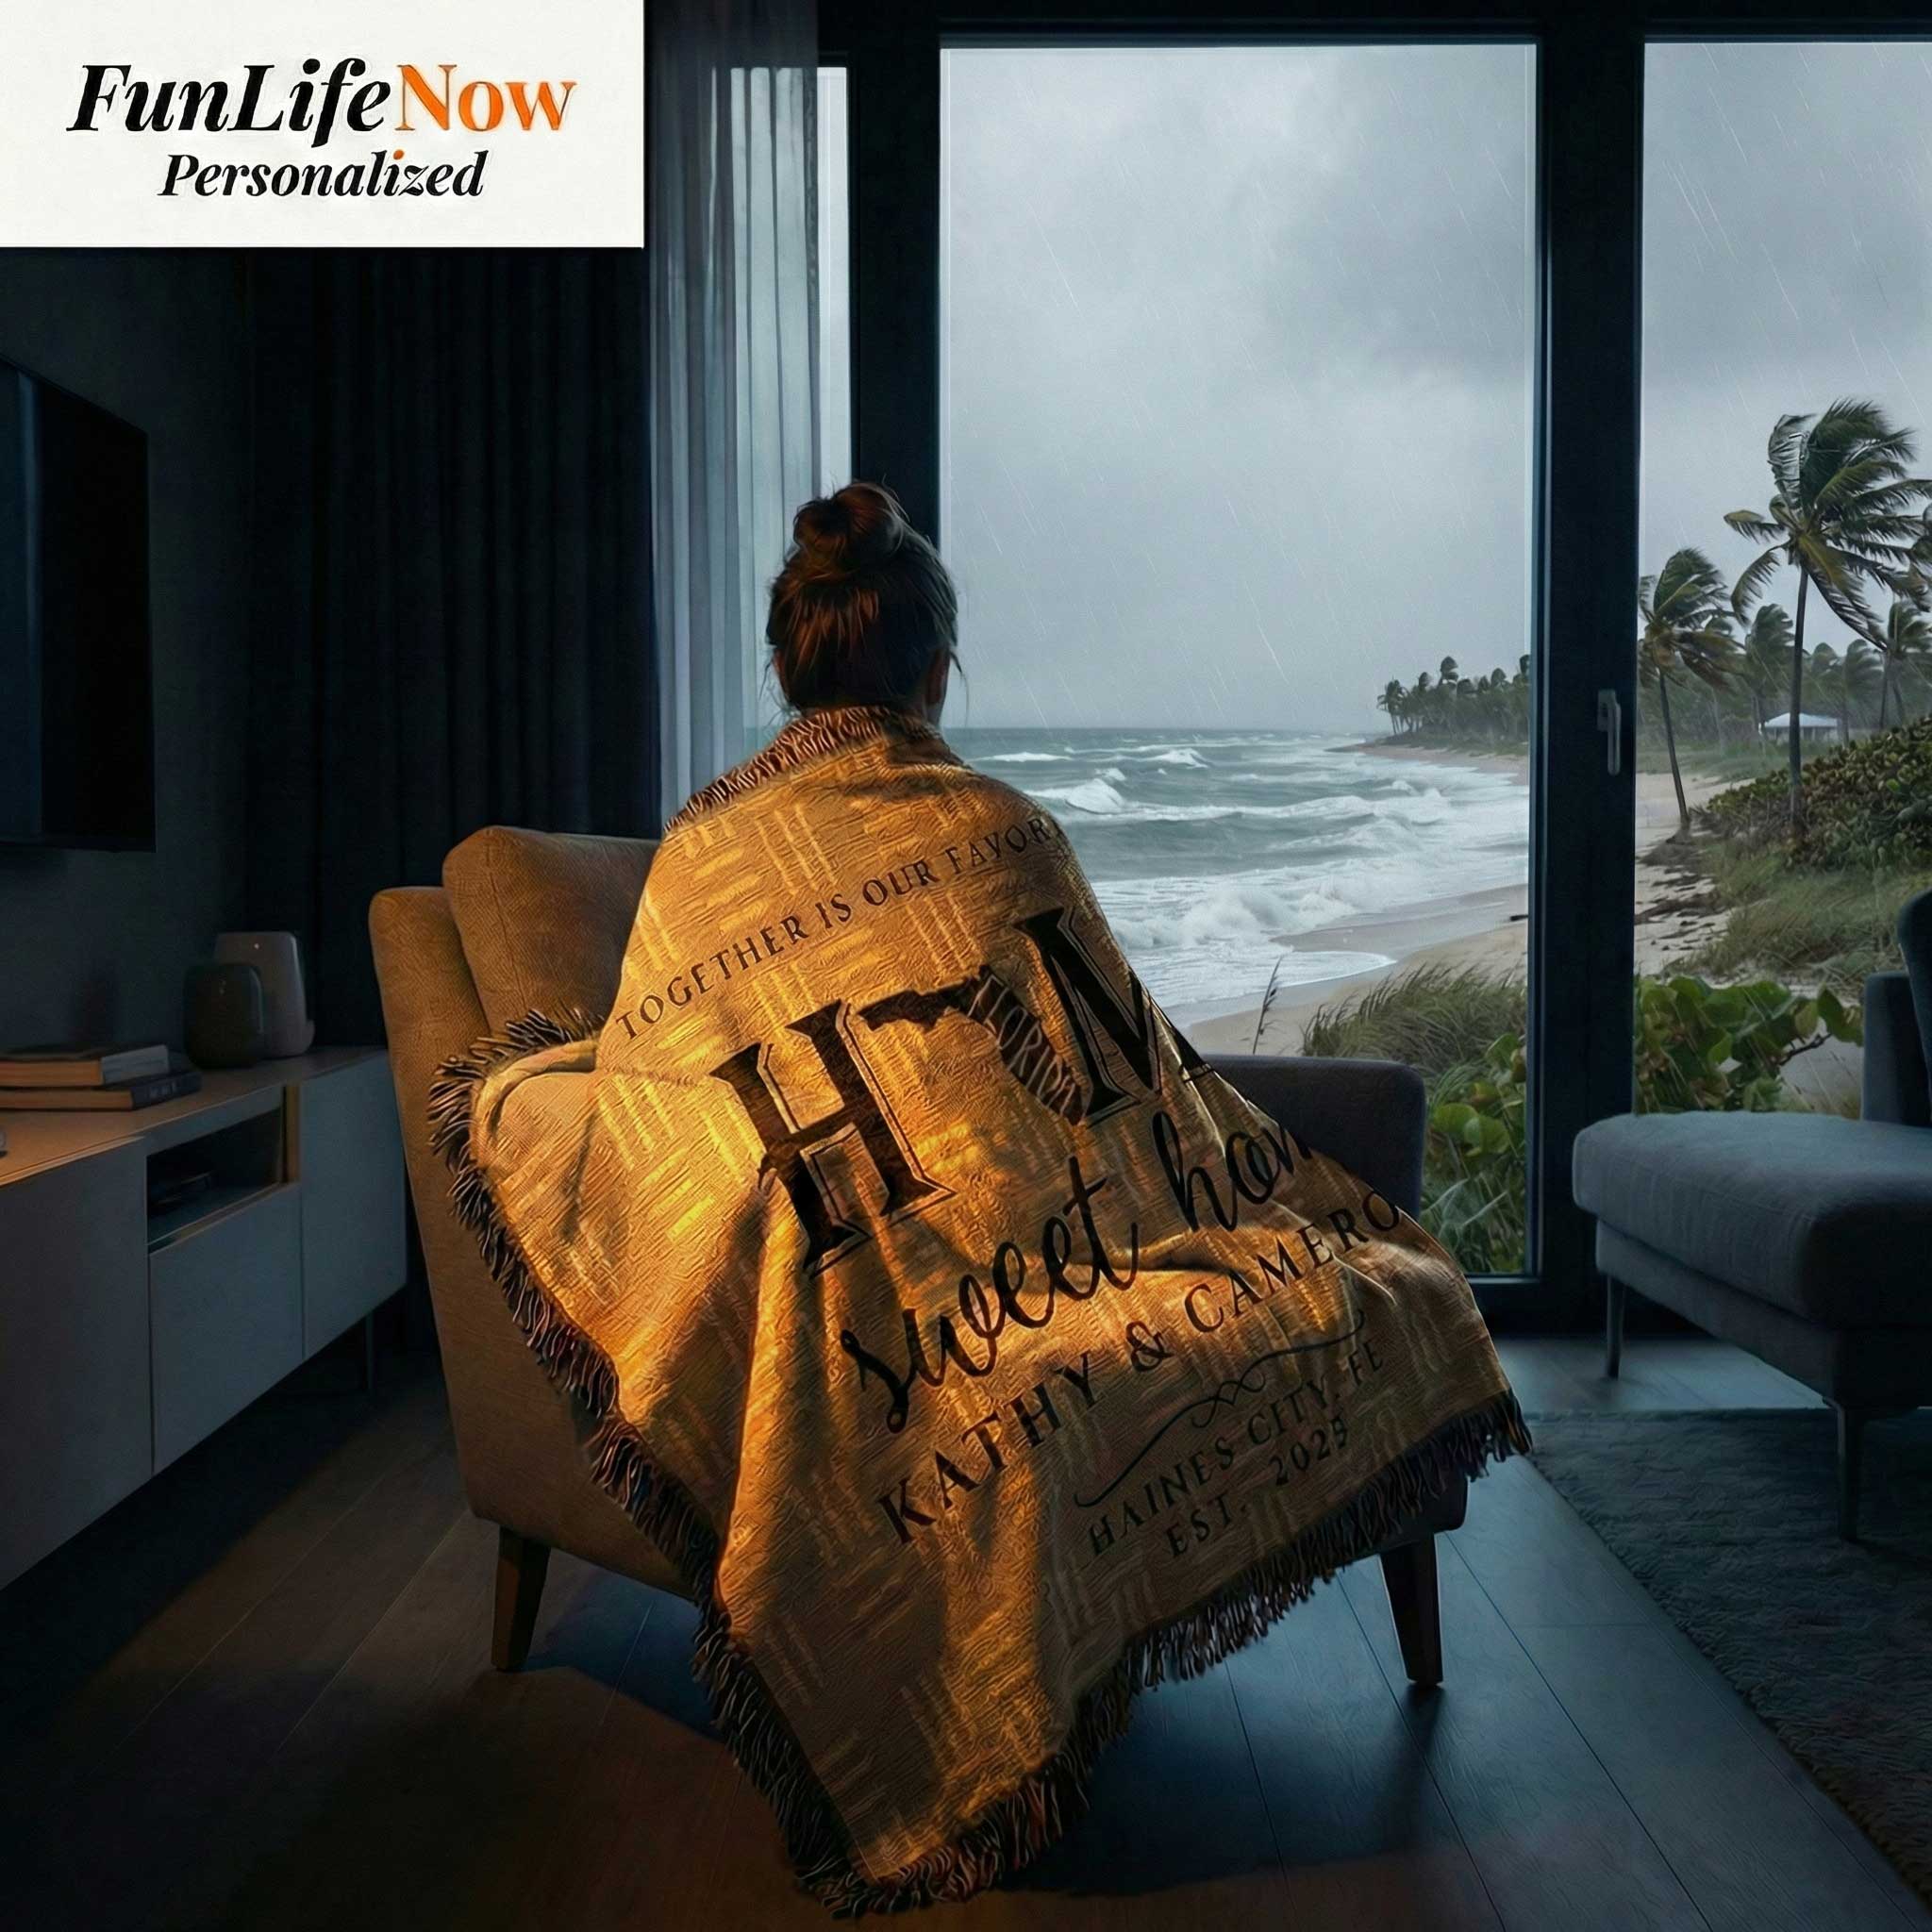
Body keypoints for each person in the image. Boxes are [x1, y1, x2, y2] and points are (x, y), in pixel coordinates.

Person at [444, 478, 1524, 1912]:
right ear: (939, 669)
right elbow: (1138, 1075)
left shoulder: (703, 847)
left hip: (954, 1269)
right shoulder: (1000, 821)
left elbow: (657, 1066)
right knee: (1383, 1277)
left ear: (785, 664)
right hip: (968, 1264)